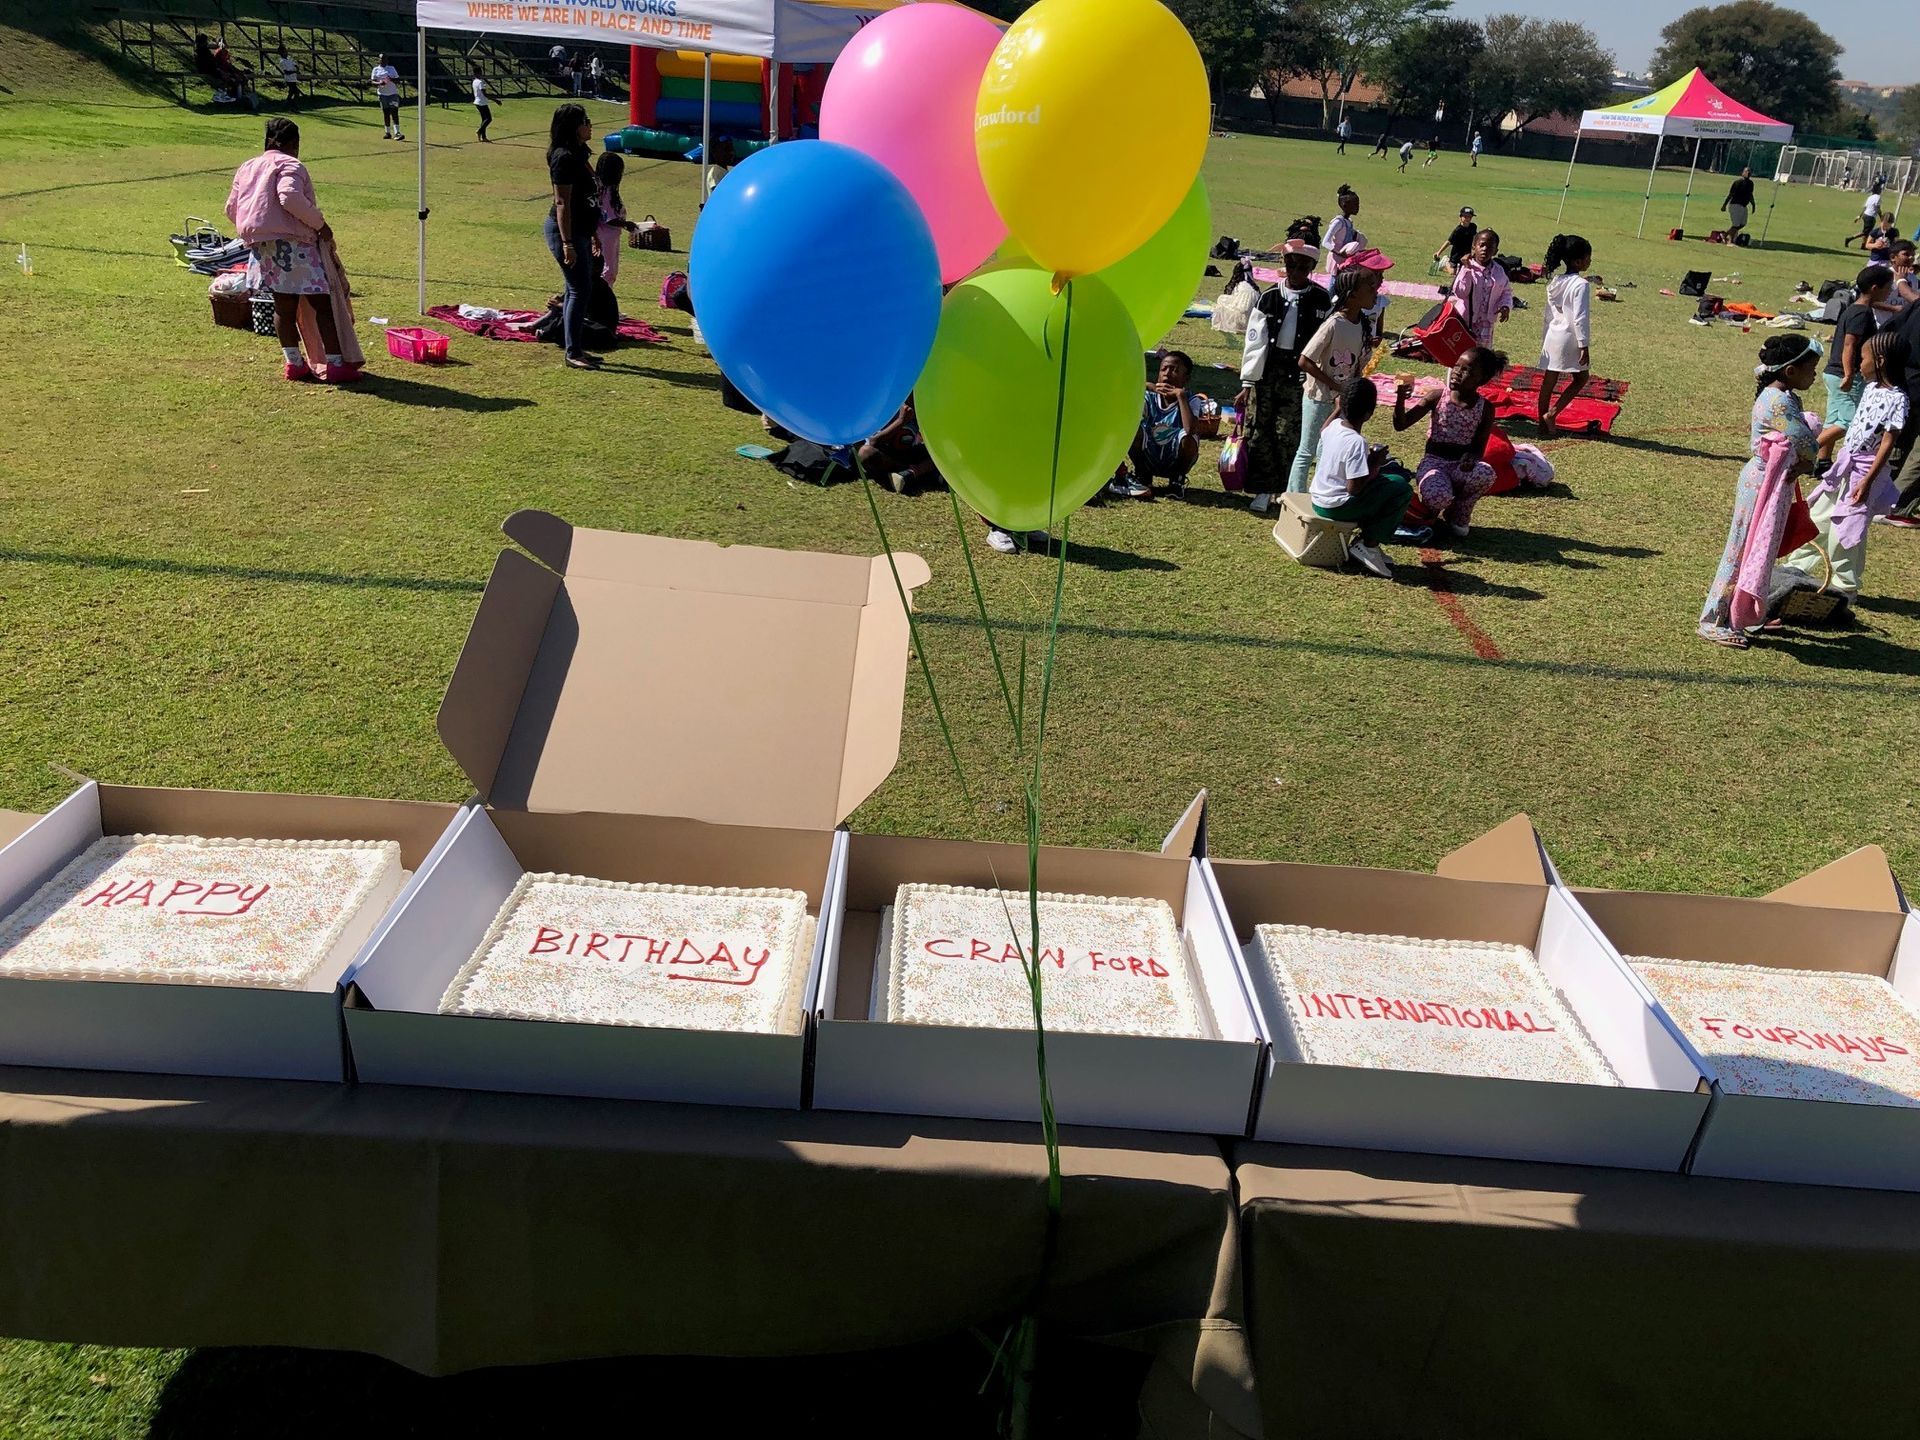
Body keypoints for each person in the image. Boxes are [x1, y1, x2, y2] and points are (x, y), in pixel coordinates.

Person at [1697, 334, 1823, 647]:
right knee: (1742, 550)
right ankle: (1713, 619)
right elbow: (1806, 442)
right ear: (1790, 371)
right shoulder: (1778, 401)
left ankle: (1745, 614)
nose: (1815, 375)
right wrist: (1809, 461)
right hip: (1762, 484)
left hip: (1774, 481)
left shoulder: (1785, 394)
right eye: (1811, 369)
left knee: (1759, 550)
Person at [225, 117, 360, 383]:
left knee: (283, 306)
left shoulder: (248, 167)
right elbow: (288, 196)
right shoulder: (290, 164)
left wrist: (259, 226)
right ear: (294, 143)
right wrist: (320, 225)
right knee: (322, 303)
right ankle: (335, 364)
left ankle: (294, 363)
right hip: (295, 244)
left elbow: (232, 208)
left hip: (262, 246)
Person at [1785, 332, 1908, 596]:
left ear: (1880, 361)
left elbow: (1887, 443)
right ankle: (1797, 568)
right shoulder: (1871, 389)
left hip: (1865, 473)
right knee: (1818, 516)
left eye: (1862, 359)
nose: (1857, 363)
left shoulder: (1898, 399)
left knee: (1847, 531)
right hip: (1846, 464)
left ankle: (1845, 587)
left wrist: (1868, 481)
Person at [1236, 239, 1332, 515]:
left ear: (1312, 267)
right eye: (1291, 264)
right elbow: (1255, 344)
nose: (1296, 270)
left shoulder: (1321, 299)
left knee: (1288, 432)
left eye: (1303, 266)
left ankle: (1284, 488)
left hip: (1300, 374)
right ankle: (1263, 489)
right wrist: (1248, 382)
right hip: (1268, 371)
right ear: (1284, 265)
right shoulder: (1269, 298)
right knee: (1260, 430)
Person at [1394, 345, 1504, 539]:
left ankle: (1458, 512)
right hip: (1434, 463)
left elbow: (1478, 448)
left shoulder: (1485, 408)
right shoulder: (1436, 397)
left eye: (1466, 370)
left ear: (1482, 380)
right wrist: (1400, 400)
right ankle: (1427, 516)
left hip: (1460, 467)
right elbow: (1400, 425)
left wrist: (1471, 458)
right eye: (1456, 366)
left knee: (1485, 473)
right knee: (1438, 497)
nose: (1456, 373)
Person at [1310, 380, 1413, 579]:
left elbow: (1323, 430)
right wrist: (1375, 461)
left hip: (1319, 498)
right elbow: (1354, 489)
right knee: (1401, 488)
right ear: (1369, 413)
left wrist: (1337, 408)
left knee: (1387, 482)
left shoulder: (1333, 427)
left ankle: (1367, 540)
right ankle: (1368, 545)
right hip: (1337, 506)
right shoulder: (1356, 442)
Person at [1292, 265, 1380, 492]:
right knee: (1307, 451)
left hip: (1341, 400)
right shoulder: (1333, 324)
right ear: (1352, 295)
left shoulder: (1361, 325)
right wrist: (1336, 386)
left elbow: (1357, 367)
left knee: (1327, 451)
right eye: (1369, 287)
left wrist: (1351, 389)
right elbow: (1305, 360)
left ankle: (1318, 496)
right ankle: (1292, 498)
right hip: (1319, 397)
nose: (1375, 290)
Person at [544, 103, 601, 370]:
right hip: (566, 231)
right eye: (585, 121)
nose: (590, 125)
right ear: (573, 126)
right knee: (580, 289)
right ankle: (572, 352)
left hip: (582, 230)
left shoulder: (580, 153)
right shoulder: (563, 157)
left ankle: (575, 346)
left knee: (576, 288)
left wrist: (593, 234)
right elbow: (562, 203)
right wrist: (567, 243)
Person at [1111, 351, 1202, 499]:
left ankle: (1177, 481)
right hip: (1149, 456)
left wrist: (1181, 396)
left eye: (1174, 370)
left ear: (1186, 378)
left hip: (1174, 458)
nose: (1167, 374)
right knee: (1132, 428)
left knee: (1188, 438)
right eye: (1163, 369)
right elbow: (1122, 413)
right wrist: (1144, 386)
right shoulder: (1149, 396)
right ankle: (1142, 474)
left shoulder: (1191, 400)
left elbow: (1191, 428)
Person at [1536, 234, 1593, 434]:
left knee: (1548, 381)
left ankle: (1542, 423)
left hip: (1553, 334)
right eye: (1588, 257)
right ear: (1578, 261)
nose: (1590, 261)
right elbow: (1580, 317)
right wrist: (1583, 344)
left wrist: (1546, 338)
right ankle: (1552, 413)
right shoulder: (1581, 285)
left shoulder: (1555, 282)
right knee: (1581, 378)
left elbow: (1549, 313)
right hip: (1570, 337)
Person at [1824, 266, 1889, 431]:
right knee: (1849, 422)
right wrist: (1848, 374)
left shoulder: (1854, 308)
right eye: (1888, 288)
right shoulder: (1862, 313)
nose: (1889, 293)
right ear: (1875, 288)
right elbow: (1849, 345)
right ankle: (1812, 446)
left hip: (1834, 372)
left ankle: (1822, 457)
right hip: (1844, 374)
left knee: (1833, 419)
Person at [860, 397, 941, 495]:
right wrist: (901, 420)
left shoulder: (924, 406)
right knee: (865, 452)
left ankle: (909, 474)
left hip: (913, 453)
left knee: (942, 451)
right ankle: (917, 473)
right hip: (890, 457)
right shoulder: (890, 406)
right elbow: (873, 442)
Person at [1448, 229, 1512, 346]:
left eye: (1490, 247)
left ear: (1495, 251)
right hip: (1465, 320)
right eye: (1481, 245)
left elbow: (1506, 291)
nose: (1484, 249)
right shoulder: (1468, 268)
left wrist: (1505, 306)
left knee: (1482, 355)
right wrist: (1466, 269)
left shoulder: (1498, 271)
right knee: (1461, 352)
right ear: (1474, 247)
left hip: (1486, 322)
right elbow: (1460, 293)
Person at [593, 151, 635, 285]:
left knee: (609, 267)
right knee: (609, 269)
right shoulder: (606, 190)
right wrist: (626, 224)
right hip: (606, 235)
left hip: (610, 234)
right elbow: (608, 217)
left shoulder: (603, 188)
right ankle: (603, 294)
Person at [1321, 185, 1364, 269]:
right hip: (1337, 259)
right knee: (1334, 281)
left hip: (1346, 259)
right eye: (1355, 204)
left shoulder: (1349, 222)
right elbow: (1325, 242)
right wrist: (1339, 253)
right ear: (1345, 205)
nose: (1358, 207)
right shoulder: (1338, 222)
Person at [1878, 240, 1918, 326]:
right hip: (1882, 325)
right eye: (1906, 254)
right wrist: (1893, 308)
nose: (1911, 258)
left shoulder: (1913, 278)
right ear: (1893, 257)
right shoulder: (1882, 275)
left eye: (1913, 255)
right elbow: (1871, 300)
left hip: (1903, 326)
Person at [1432, 205, 1476, 273]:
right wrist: (1439, 252)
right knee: (1453, 272)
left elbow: (1475, 237)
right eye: (1465, 216)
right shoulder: (1458, 230)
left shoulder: (1473, 227)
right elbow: (1449, 242)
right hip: (1456, 254)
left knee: (1467, 271)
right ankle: (1446, 262)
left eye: (1469, 217)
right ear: (1460, 217)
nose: (1467, 218)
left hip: (1467, 254)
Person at [370, 55, 402, 140]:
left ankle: (397, 133)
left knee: (394, 112)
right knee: (386, 113)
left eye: (385, 59)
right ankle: (387, 132)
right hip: (382, 95)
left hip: (393, 94)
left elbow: (398, 80)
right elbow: (372, 82)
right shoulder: (376, 70)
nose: (383, 60)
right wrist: (380, 83)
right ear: (379, 60)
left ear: (387, 60)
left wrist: (390, 79)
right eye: (381, 59)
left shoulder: (391, 68)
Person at [1721, 167, 1755, 244]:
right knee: (1736, 225)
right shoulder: (1737, 182)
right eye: (1746, 171)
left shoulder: (1751, 183)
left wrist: (1753, 204)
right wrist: (1724, 205)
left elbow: (1750, 195)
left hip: (1744, 205)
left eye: (1749, 171)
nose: (1748, 173)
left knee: (1742, 224)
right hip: (1735, 205)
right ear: (1742, 173)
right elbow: (1731, 194)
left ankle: (1725, 234)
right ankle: (1729, 240)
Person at [1845, 182, 1883, 247]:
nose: (1881, 190)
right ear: (1878, 189)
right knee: (1866, 232)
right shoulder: (1878, 197)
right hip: (1871, 216)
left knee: (1866, 231)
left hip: (1865, 215)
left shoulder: (1870, 197)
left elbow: (1865, 207)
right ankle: (1849, 239)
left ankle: (1863, 245)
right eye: (1880, 188)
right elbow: (1877, 208)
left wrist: (1860, 216)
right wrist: (1881, 217)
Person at [471, 65, 494, 142]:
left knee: (484, 119)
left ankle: (483, 137)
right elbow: (485, 94)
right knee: (489, 119)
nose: (481, 74)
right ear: (478, 73)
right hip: (482, 102)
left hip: (477, 102)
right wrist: (495, 100)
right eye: (480, 72)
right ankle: (479, 131)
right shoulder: (480, 82)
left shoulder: (474, 81)